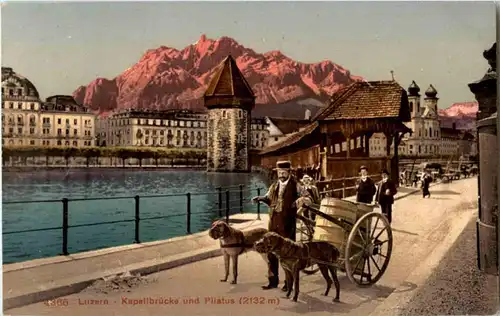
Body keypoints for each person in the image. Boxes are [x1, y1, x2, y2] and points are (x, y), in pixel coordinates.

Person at [252, 160, 311, 291]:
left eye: (284, 172)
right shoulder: (273, 186)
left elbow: (308, 198)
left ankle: (288, 283)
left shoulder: (296, 185)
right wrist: (260, 199)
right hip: (273, 224)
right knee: (271, 252)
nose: (281, 174)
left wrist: (301, 200)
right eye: (279, 172)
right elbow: (268, 199)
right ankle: (273, 281)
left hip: (287, 224)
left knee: (287, 255)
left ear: (289, 172)